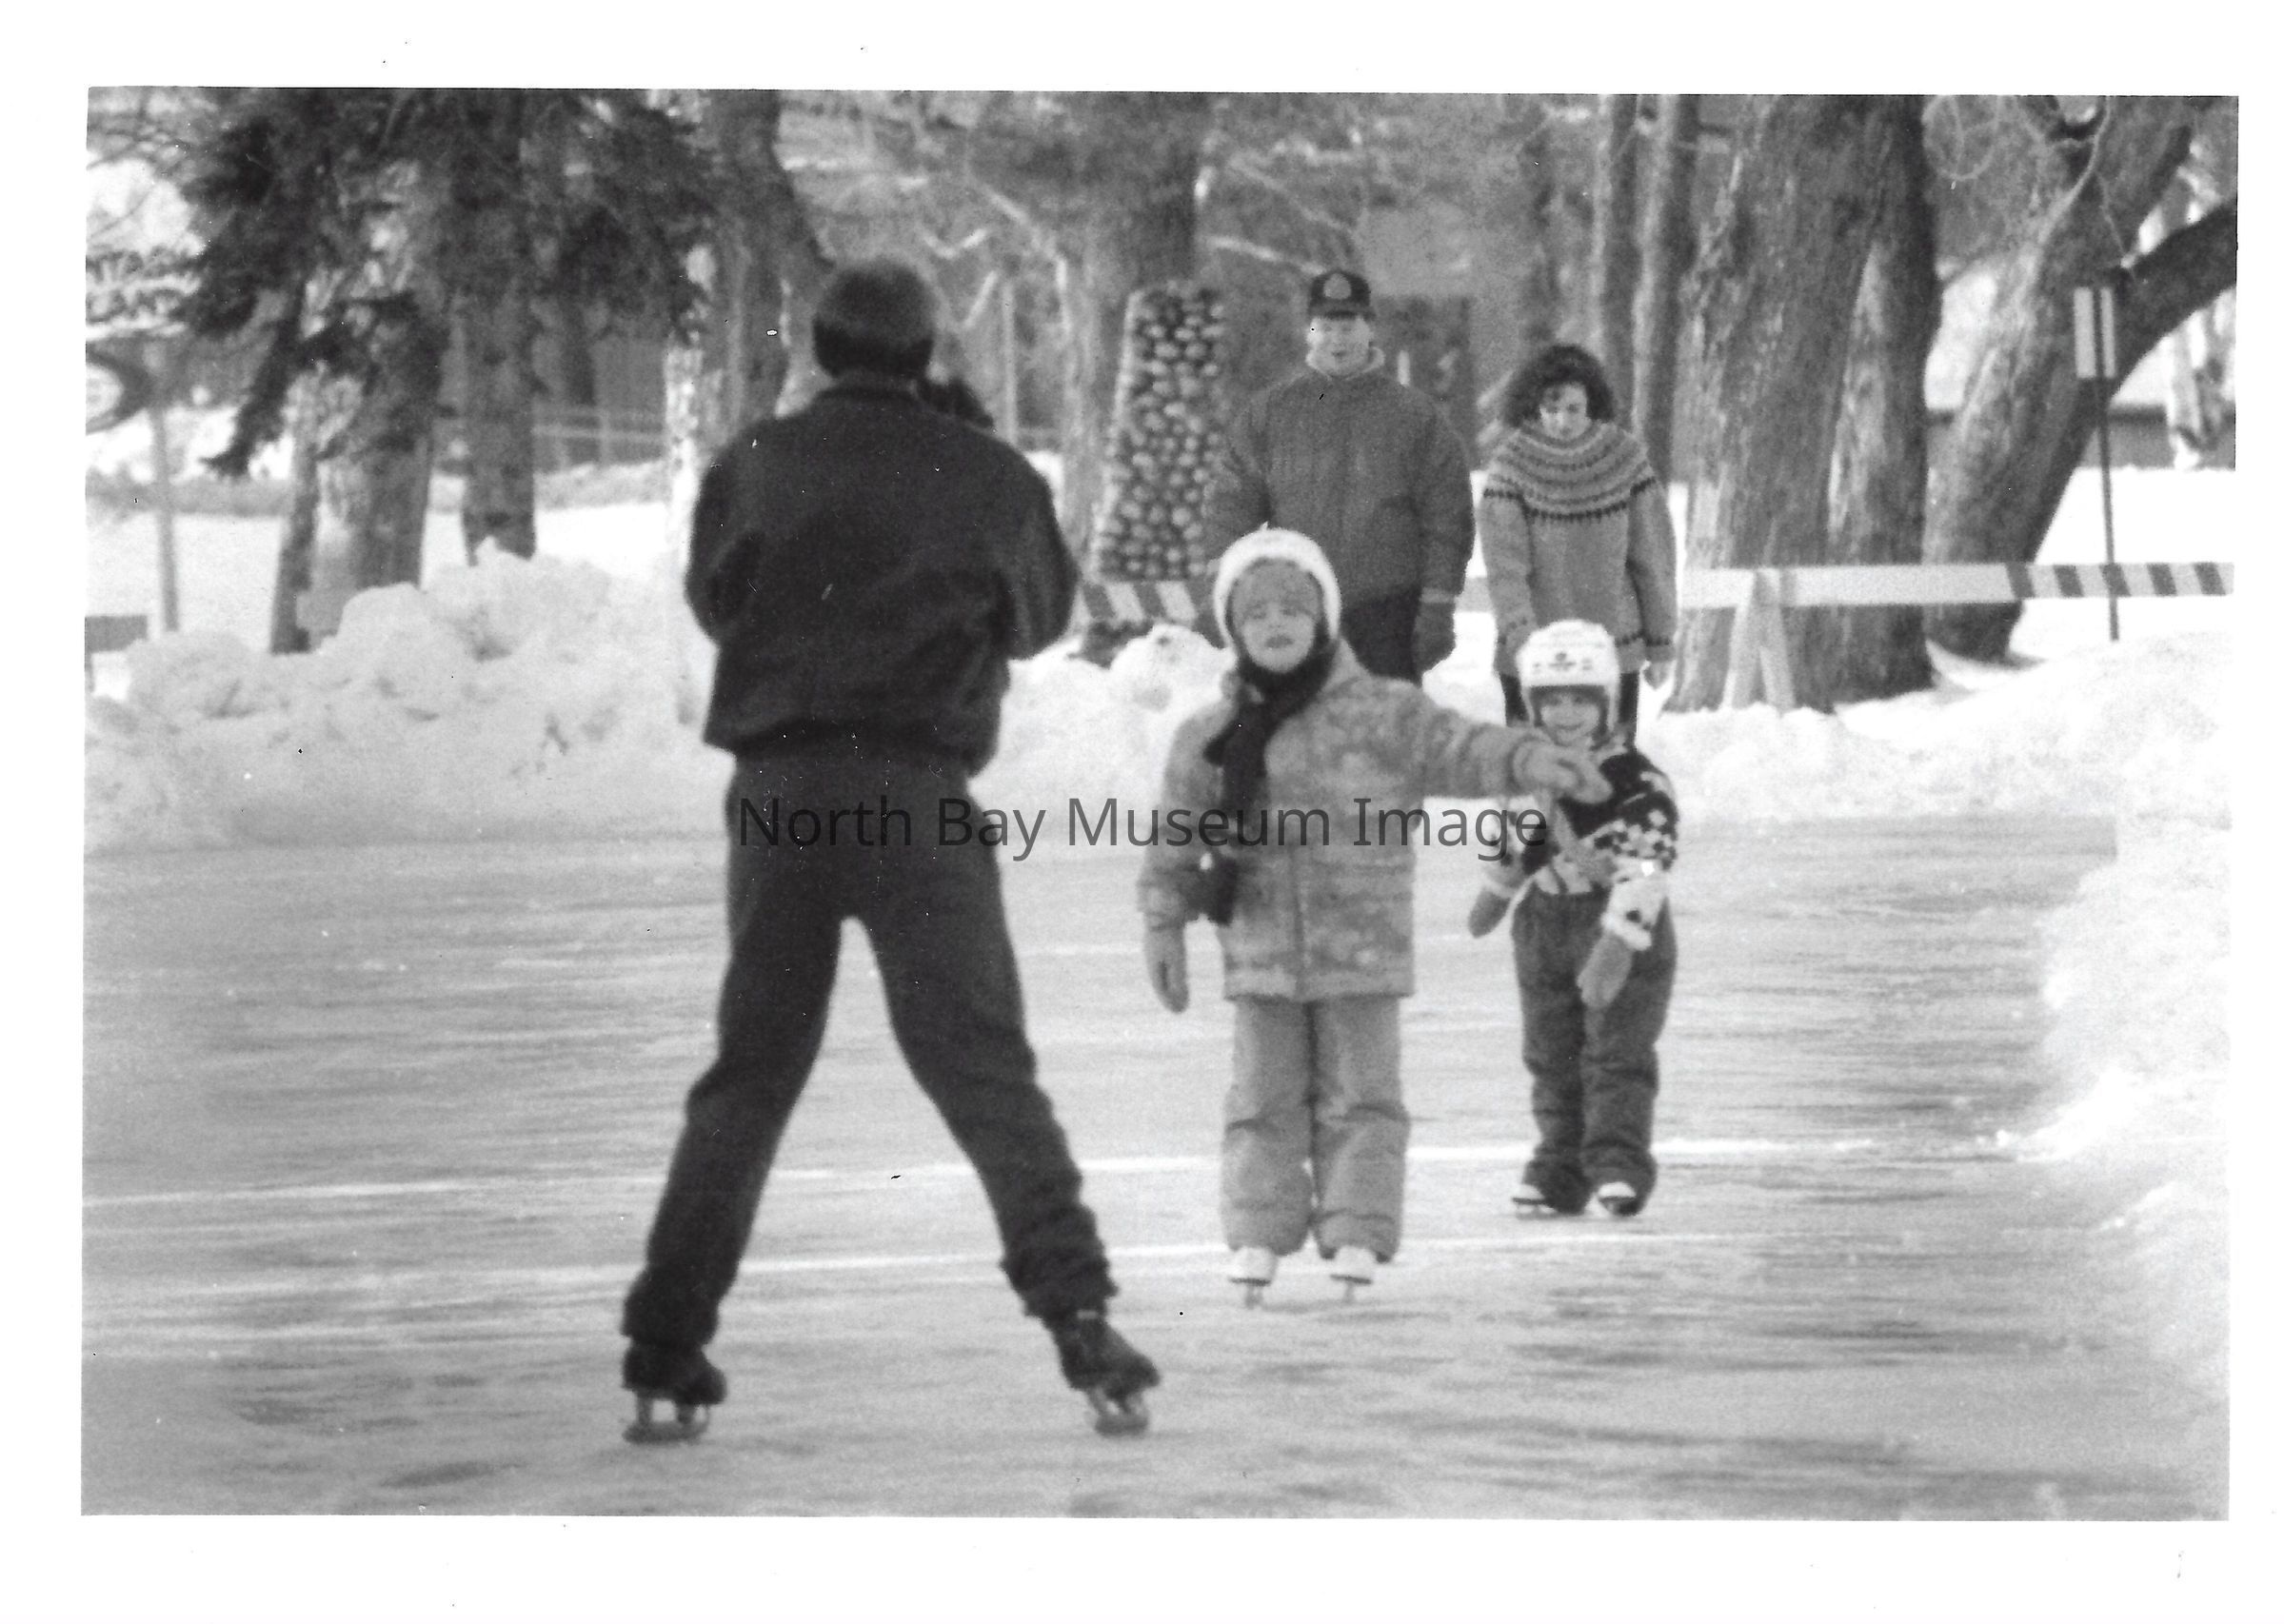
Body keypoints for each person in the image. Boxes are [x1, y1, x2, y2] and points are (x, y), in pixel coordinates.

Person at [619, 258, 1159, 1442]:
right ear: (926, 352)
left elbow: (718, 600)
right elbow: (1039, 620)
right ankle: (1079, 1319)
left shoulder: (755, 461)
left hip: (782, 789)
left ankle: (665, 1339)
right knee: (982, 1068)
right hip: (914, 794)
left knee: (750, 1073)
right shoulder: (988, 474)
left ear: (821, 347)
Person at [1136, 529, 1610, 1304]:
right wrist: (1161, 920)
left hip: (1364, 949)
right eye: (1257, 613)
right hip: (1260, 949)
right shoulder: (1209, 737)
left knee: (1363, 1097)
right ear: (1234, 629)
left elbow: (1461, 747)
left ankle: (1356, 1228)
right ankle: (1257, 1232)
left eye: (1293, 608)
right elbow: (1174, 838)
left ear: (1323, 618)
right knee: (1261, 1098)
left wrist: (1528, 758)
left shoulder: (1382, 714)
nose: (1276, 623)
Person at [1466, 342, 1679, 937]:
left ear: (1595, 407)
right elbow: (1505, 567)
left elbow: (1653, 556)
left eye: (1575, 408)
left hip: (1615, 650)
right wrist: (1523, 640)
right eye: (1552, 407)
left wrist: (1661, 638)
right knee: (1533, 779)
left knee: (1609, 773)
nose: (1563, 420)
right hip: (1535, 658)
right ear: (1532, 407)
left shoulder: (1625, 460)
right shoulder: (1512, 467)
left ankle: (1610, 891)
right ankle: (1530, 887)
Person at [1200, 269, 1476, 684]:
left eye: (1348, 327)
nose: (1336, 340)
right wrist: (1221, 586)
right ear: (1309, 331)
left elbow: (1447, 518)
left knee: (1385, 723)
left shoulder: (1414, 417)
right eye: (1325, 327)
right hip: (1297, 610)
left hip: (1389, 615)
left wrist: (1438, 604)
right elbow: (1231, 505)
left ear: (1370, 330)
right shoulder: (1271, 414)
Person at [1496, 620, 1680, 1221]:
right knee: (1550, 1054)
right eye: (1553, 701)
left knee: (1615, 1052)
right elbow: (1518, 843)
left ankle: (1618, 1165)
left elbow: (1648, 864)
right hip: (1542, 924)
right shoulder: (1525, 774)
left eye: (1582, 700)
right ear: (1533, 706)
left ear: (1608, 703)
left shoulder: (1634, 778)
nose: (1567, 714)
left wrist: (1619, 940)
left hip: (1616, 924)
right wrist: (1498, 888)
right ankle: (1560, 1168)